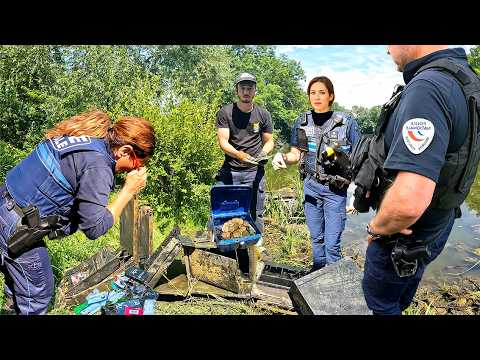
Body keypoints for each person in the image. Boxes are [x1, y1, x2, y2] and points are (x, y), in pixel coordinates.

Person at [351, 46, 480, 315]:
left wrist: (376, 228)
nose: (387, 50)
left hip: (402, 239)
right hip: (435, 226)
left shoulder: (428, 88)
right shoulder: (466, 81)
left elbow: (407, 203)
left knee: (380, 305)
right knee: (398, 299)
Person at [0, 109, 156, 314]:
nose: (134, 170)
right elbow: (94, 227)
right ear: (125, 151)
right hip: (15, 225)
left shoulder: (86, 141)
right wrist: (128, 191)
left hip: (6, 202)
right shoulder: (98, 164)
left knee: (18, 285)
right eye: (137, 163)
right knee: (38, 293)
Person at [272, 76, 361, 271]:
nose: (317, 97)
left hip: (335, 191)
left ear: (331, 96)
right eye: (313, 93)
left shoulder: (347, 122)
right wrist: (283, 158)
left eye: (322, 92)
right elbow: (296, 154)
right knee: (316, 237)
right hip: (311, 186)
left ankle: (333, 282)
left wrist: (355, 195)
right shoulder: (302, 122)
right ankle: (317, 273)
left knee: (332, 243)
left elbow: (360, 159)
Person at [215, 73, 274, 234]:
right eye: (243, 88)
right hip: (230, 170)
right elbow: (223, 142)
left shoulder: (263, 114)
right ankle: (225, 248)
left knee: (256, 213)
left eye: (250, 88)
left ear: (255, 91)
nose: (246, 91)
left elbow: (269, 141)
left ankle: (257, 248)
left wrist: (263, 153)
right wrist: (239, 154)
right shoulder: (225, 112)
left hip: (254, 172)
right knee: (224, 212)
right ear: (237, 90)